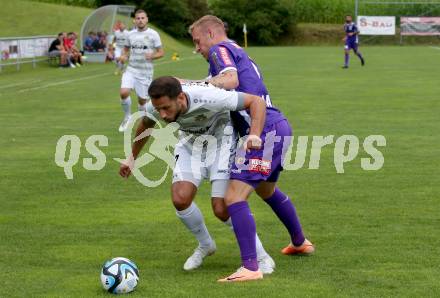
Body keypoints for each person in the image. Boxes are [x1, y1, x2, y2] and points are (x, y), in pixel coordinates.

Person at [189, 15, 314, 282]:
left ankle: (250, 267)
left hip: (263, 130)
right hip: (278, 125)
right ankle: (300, 241)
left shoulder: (218, 50)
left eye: (197, 41)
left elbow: (230, 80)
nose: (196, 48)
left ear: (211, 34)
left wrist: (195, 85)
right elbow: (221, 82)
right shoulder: (235, 50)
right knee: (267, 190)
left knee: (233, 197)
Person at [119, 76, 274, 274]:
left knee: (222, 209)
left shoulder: (210, 96)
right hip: (190, 146)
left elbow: (256, 101)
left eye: (166, 108)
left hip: (222, 145)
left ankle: (262, 257)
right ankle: (206, 245)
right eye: (159, 109)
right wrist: (131, 158)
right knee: (180, 199)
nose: (163, 115)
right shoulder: (155, 107)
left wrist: (254, 134)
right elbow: (145, 125)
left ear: (181, 97)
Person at [118, 9, 164, 132]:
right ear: (135, 20)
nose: (140, 20)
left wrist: (152, 56)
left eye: (142, 18)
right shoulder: (130, 34)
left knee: (142, 100)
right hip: (131, 69)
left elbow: (161, 52)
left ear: (147, 19)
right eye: (138, 18)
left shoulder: (153, 34)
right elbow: (126, 50)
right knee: (124, 92)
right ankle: (127, 117)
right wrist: (123, 56)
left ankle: (142, 120)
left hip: (145, 73)